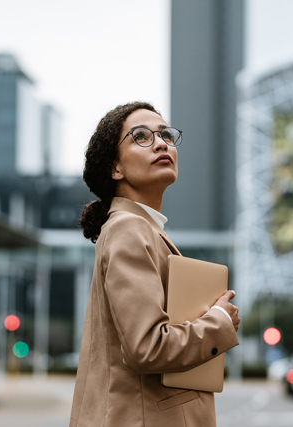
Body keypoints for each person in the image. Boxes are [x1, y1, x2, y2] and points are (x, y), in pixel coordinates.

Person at [70, 101, 240, 427]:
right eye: (141, 137)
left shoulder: (141, 228)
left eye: (165, 135)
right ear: (115, 168)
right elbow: (147, 347)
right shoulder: (128, 228)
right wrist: (219, 321)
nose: (161, 143)